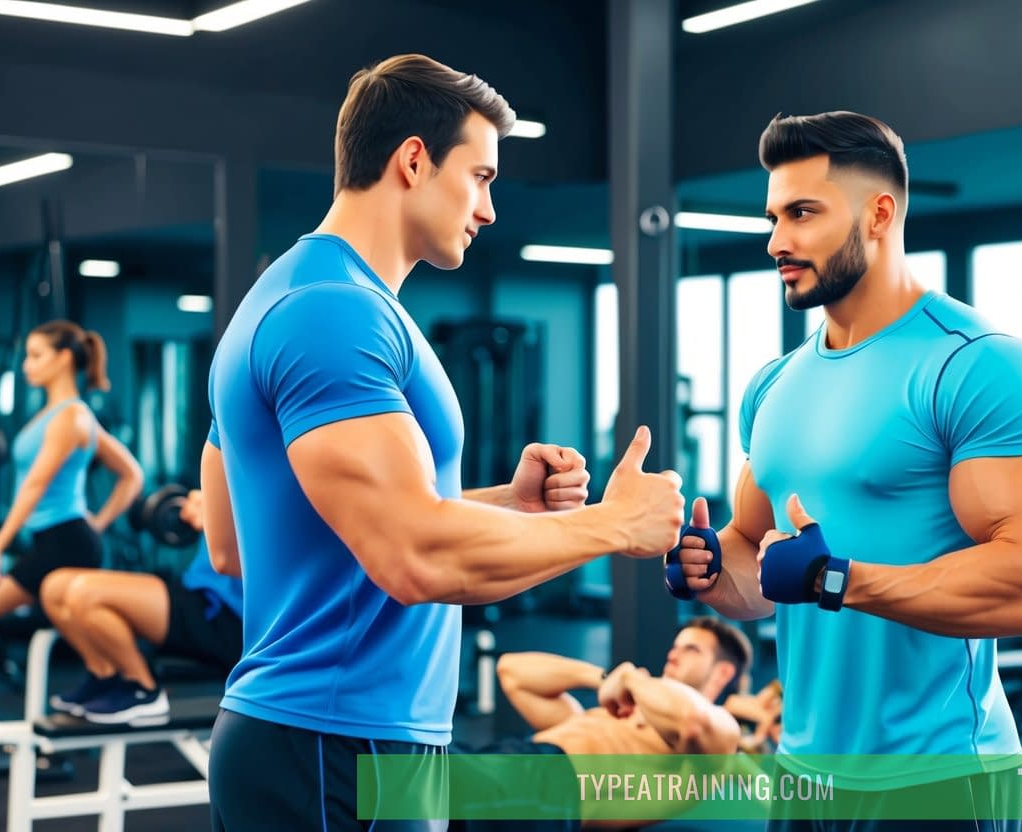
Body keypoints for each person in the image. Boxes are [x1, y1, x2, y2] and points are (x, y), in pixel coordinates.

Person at [201, 54, 685, 831]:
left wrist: (511, 507)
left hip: (333, 740)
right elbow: (413, 558)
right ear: (413, 160)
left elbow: (246, 538)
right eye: (482, 176)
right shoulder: (334, 314)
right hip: (336, 747)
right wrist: (615, 525)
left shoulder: (289, 295)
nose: (489, 208)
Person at [668, 111, 1022, 830]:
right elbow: (756, 567)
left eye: (802, 213)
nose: (776, 241)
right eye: (773, 216)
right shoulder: (773, 385)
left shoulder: (979, 365)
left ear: (878, 214)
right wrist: (709, 571)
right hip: (803, 776)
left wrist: (838, 580)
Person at [449, 616, 747, 832]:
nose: (674, 653)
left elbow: (692, 722)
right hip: (507, 760)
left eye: (691, 649)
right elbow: (512, 672)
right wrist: (605, 679)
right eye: (676, 645)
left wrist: (632, 679)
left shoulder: (722, 734)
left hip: (547, 793)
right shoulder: (617, 715)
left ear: (722, 673)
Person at [41, 488, 242, 726]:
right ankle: (105, 676)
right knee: (54, 586)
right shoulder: (232, 466)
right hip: (196, 591)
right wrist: (202, 501)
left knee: (85, 595)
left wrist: (217, 519)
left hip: (230, 618)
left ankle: (142, 690)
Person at [0, 320, 143, 619]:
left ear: (64, 358)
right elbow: (132, 473)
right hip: (51, 539)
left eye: (36, 356)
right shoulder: (62, 415)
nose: (26, 365)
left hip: (64, 542)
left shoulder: (72, 417)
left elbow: (36, 484)